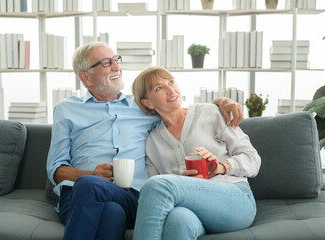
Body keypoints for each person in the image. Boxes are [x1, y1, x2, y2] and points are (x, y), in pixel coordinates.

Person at [46, 42, 244, 240]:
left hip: (132, 197)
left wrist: (221, 103)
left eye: (116, 59)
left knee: (93, 188)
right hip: (79, 196)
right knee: (109, 210)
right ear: (85, 77)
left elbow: (180, 111)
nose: (116, 67)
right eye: (106, 63)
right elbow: (55, 168)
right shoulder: (66, 109)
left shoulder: (142, 105)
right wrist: (90, 174)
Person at [131, 66, 261, 240]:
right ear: (147, 103)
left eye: (171, 82)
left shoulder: (211, 113)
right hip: (191, 212)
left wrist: (221, 167)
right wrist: (184, 182)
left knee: (157, 185)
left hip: (235, 199)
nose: (171, 90)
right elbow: (154, 199)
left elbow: (253, 159)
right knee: (178, 220)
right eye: (159, 88)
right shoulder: (152, 142)